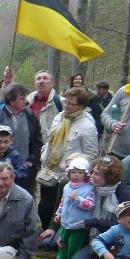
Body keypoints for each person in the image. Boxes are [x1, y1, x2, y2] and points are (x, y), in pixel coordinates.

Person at [37, 87, 98, 231]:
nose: (66, 105)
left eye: (71, 103)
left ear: (81, 106)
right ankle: (46, 232)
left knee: (59, 206)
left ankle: (55, 235)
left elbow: (91, 154)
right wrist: (44, 154)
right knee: (44, 206)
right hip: (49, 170)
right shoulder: (59, 118)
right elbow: (50, 139)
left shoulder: (87, 126)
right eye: (65, 102)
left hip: (69, 175)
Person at [0, 82, 42, 195]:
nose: (26, 101)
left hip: (26, 171)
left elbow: (37, 140)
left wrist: (32, 161)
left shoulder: (30, 115)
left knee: (25, 199)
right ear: (12, 101)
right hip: (2, 173)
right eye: (22, 99)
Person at [47, 157, 95, 259]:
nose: (76, 175)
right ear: (68, 173)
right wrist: (59, 214)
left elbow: (91, 205)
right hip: (66, 222)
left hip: (79, 223)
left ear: (86, 174)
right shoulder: (67, 186)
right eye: (73, 172)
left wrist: (78, 199)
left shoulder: (89, 189)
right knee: (63, 241)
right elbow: (63, 202)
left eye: (80, 172)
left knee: (74, 244)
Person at [27, 70, 63, 141]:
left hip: (49, 146)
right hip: (29, 145)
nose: (41, 81)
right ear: (35, 83)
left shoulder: (61, 102)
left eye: (45, 78)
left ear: (52, 83)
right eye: (38, 78)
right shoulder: (27, 101)